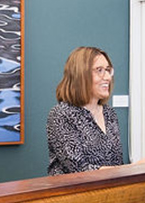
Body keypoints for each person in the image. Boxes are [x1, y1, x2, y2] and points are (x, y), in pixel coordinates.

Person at [44, 46, 124, 174]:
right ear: (80, 74)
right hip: (74, 192)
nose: (108, 77)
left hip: (109, 191)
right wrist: (132, 169)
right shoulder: (61, 114)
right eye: (100, 70)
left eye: (108, 70)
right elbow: (79, 169)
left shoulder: (109, 114)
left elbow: (116, 163)